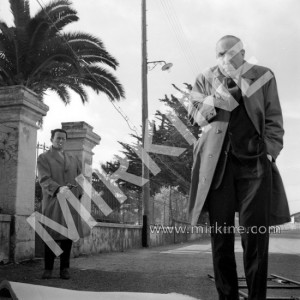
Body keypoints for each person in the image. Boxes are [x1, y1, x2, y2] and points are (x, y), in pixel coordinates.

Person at [188, 35, 290, 300]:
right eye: (219, 54)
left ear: (242, 53)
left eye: (229, 53)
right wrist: (220, 96)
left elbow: (274, 117)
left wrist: (269, 152)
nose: (224, 59)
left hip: (255, 165)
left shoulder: (263, 75)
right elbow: (195, 116)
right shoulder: (205, 78)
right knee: (221, 239)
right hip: (218, 166)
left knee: (255, 238)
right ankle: (227, 296)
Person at [37, 128, 86, 280]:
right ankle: (48, 269)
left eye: (63, 138)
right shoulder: (44, 157)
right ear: (52, 139)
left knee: (68, 236)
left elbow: (80, 178)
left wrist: (78, 194)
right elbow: (43, 179)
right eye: (58, 138)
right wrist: (58, 188)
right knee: (51, 235)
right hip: (53, 200)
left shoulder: (73, 158)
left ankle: (65, 268)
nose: (61, 141)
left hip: (70, 201)